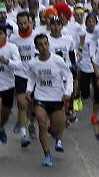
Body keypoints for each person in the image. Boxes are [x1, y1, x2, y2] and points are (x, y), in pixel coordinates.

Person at [26, 34, 73, 167]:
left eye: (46, 43)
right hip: (41, 97)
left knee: (56, 128)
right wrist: (29, 90)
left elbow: (68, 76)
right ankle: (47, 155)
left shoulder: (57, 60)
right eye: (40, 44)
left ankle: (57, 136)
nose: (44, 47)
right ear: (36, 47)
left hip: (57, 98)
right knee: (41, 124)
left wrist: (67, 92)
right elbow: (32, 78)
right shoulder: (33, 63)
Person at [10, 10, 38, 147]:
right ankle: (23, 134)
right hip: (19, 74)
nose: (23, 25)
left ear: (30, 22)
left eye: (25, 23)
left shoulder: (37, 36)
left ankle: (31, 124)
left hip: (34, 75)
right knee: (22, 104)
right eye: (20, 23)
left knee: (33, 105)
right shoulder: (13, 38)